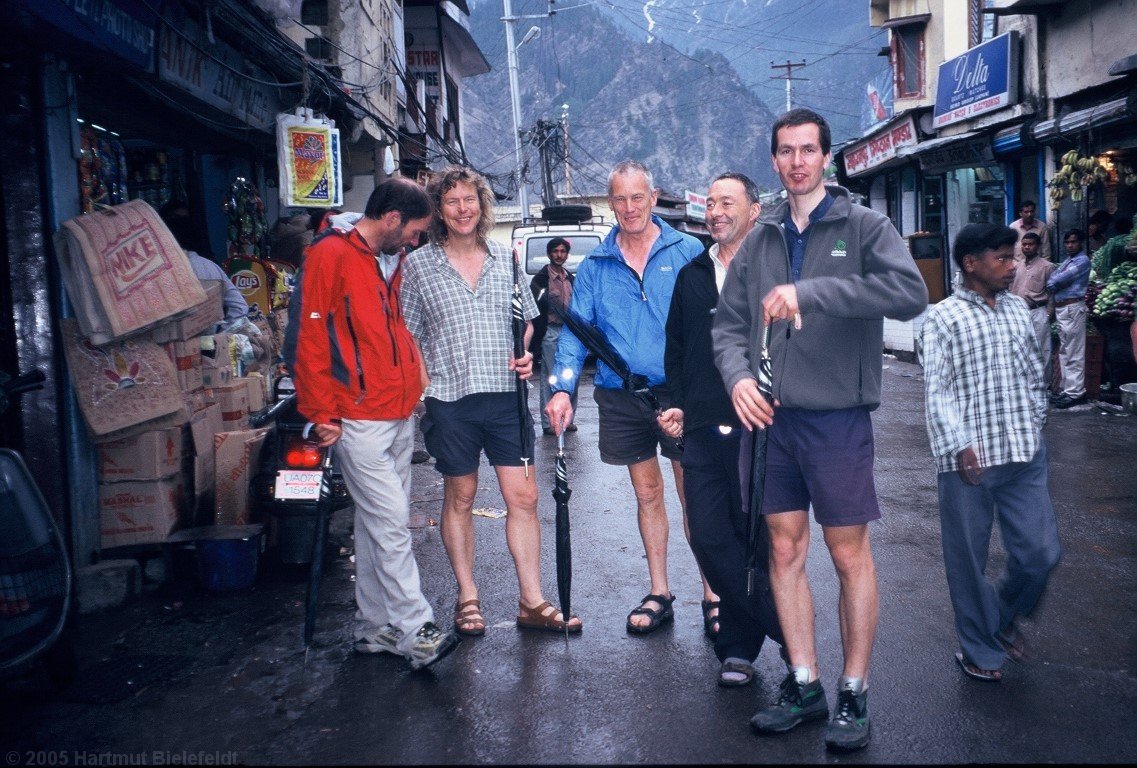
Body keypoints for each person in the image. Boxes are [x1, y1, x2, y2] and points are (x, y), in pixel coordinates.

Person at [712, 108, 927, 752]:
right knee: (783, 551)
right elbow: (727, 326)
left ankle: (853, 692)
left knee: (846, 553)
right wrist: (739, 380)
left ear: (826, 159)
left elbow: (909, 292)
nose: (798, 161)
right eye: (786, 151)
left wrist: (813, 293)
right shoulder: (761, 237)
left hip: (837, 419)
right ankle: (803, 684)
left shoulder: (863, 225)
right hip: (770, 420)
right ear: (774, 161)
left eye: (809, 150)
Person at [401, 165, 581, 637]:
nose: (463, 209)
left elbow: (525, 319)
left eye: (470, 200)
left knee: (524, 497)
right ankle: (467, 598)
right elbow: (409, 334)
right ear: (439, 210)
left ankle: (533, 601)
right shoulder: (420, 266)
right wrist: (423, 391)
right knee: (459, 496)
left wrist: (524, 354)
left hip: (506, 399)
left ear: (482, 206)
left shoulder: (504, 258)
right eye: (452, 201)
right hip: (450, 399)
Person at [291, 178, 459, 671]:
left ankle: (374, 628)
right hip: (358, 417)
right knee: (390, 523)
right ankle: (415, 628)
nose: (415, 241)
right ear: (391, 219)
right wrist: (320, 412)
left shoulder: (387, 258)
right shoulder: (331, 255)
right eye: (414, 232)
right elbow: (310, 335)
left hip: (396, 409)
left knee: (373, 524)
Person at [544, 160, 706, 636]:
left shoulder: (689, 250)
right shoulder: (595, 265)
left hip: (679, 393)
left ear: (653, 197)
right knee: (648, 493)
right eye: (620, 199)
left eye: (639, 197)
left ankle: (714, 592)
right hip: (623, 395)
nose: (630, 208)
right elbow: (577, 335)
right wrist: (562, 387)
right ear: (609, 202)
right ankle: (660, 591)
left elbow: (707, 325)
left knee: (693, 494)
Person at [656, 172, 786, 687]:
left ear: (754, 210)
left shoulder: (775, 272)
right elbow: (677, 349)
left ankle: (737, 648)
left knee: (752, 535)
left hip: (765, 425)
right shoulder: (691, 275)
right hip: (706, 425)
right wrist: (676, 406)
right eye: (709, 203)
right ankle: (783, 627)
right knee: (709, 534)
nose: (714, 212)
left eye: (726, 202)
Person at [918, 222, 1060, 683]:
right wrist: (958, 444)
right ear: (970, 263)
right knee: (967, 562)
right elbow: (937, 390)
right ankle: (978, 646)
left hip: (1022, 451)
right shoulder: (942, 318)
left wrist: (1037, 420)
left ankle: (998, 616)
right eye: (1002, 258)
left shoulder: (1019, 309)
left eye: (1013, 256)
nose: (1012, 265)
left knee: (1040, 553)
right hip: (968, 461)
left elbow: (1033, 372)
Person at [158, 199, 249, 324]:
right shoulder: (210, 267)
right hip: (215, 340)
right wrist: (222, 332)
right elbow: (240, 307)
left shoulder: (158, 275)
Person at [530, 237, 578, 435]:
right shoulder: (540, 281)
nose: (559, 255)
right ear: (549, 253)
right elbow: (534, 311)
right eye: (555, 251)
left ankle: (568, 419)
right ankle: (549, 422)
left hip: (569, 332)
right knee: (550, 377)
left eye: (563, 251)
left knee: (570, 376)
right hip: (550, 331)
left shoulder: (571, 278)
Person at [1047, 228, 1092, 409]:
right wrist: (1056, 281)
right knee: (1065, 351)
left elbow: (1055, 281)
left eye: (1073, 242)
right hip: (1063, 309)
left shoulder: (1082, 261)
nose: (1070, 245)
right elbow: (1053, 279)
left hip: (1073, 308)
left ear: (1080, 242)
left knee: (1074, 352)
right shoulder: (1067, 260)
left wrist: (1056, 281)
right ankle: (1068, 390)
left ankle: (1076, 392)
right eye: (1067, 242)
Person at [1008, 231, 1055, 365]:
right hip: (1018, 313)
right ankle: (1026, 384)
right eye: (1024, 245)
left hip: (1038, 312)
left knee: (1041, 349)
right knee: (1021, 348)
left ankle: (1043, 385)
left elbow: (1053, 292)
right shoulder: (1016, 266)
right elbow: (1010, 288)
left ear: (1038, 246)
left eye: (1030, 244)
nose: (1027, 247)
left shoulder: (1047, 266)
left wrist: (1048, 313)